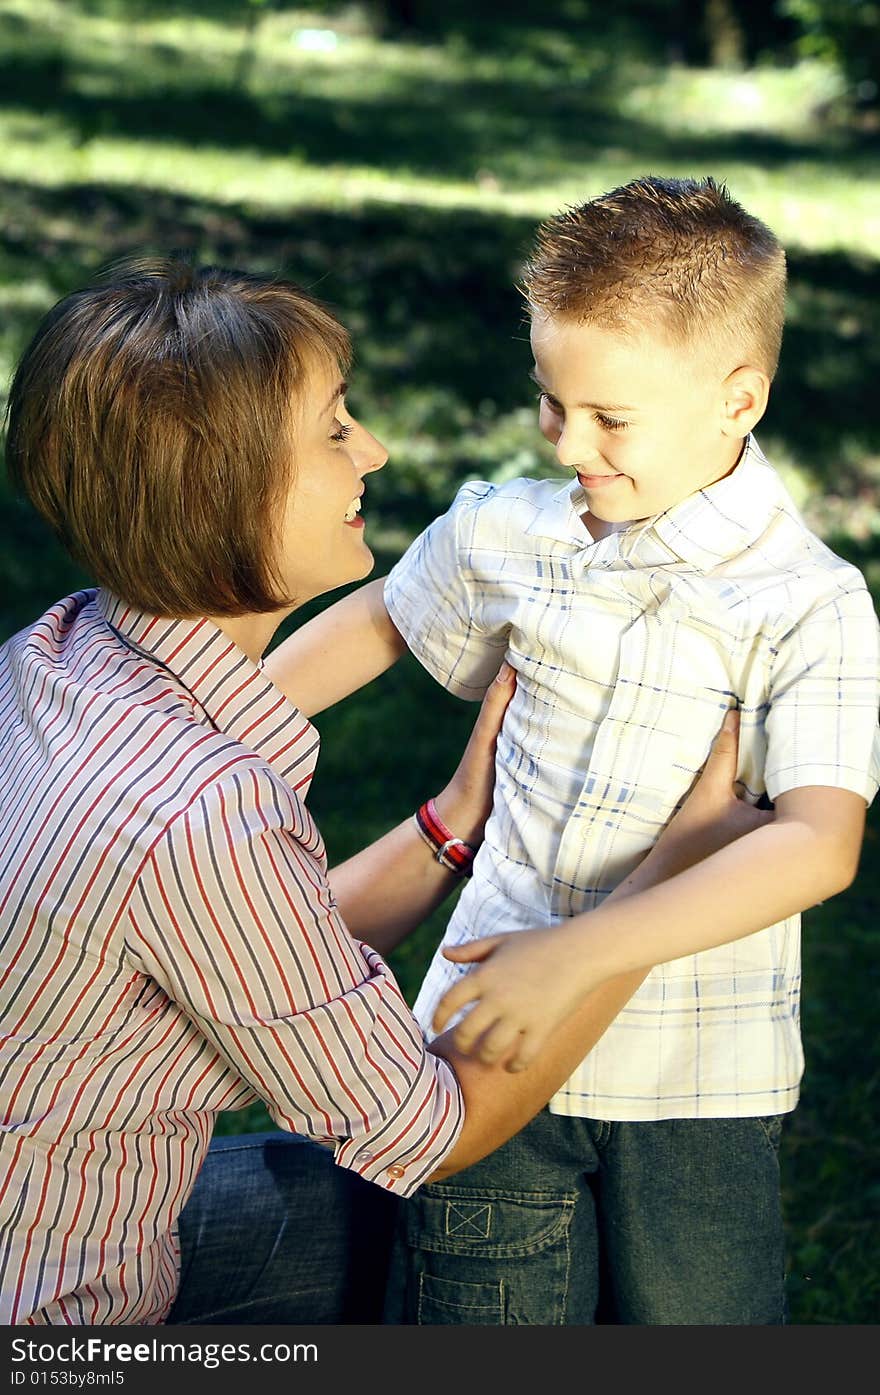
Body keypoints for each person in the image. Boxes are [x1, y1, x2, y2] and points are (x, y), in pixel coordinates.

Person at [0, 256, 759, 1327]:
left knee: (421, 1210)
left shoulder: (53, 657)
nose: (376, 450)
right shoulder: (200, 809)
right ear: (223, 488)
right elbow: (428, 1129)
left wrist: (456, 822)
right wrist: (660, 884)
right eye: (333, 429)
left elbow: (243, 945)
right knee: (471, 1198)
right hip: (56, 1316)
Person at [264, 177, 880, 1325]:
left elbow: (815, 844)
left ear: (737, 400)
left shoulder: (808, 603)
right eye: (552, 402)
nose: (568, 440)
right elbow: (381, 619)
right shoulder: (512, 530)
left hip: (695, 1081)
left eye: (610, 418)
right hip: (484, 1035)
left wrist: (584, 950)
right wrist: (214, 725)